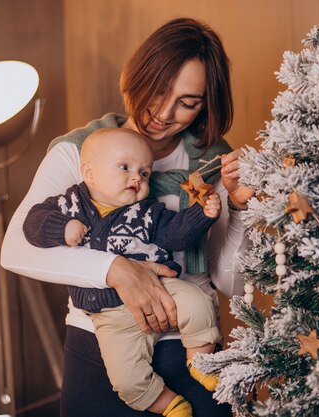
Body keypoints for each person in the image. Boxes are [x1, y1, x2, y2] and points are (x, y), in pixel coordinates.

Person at [0, 17, 254, 417]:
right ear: (138, 74)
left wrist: (238, 209)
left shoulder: (213, 162)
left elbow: (233, 285)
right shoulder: (81, 152)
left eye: (187, 103)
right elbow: (16, 249)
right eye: (158, 90)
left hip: (195, 352)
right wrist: (116, 269)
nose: (163, 113)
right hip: (99, 353)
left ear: (206, 105)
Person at [23, 127, 222, 417]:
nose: (136, 178)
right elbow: (33, 222)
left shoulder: (147, 212)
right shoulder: (70, 205)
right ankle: (168, 404)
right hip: (108, 312)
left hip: (160, 287)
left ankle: (199, 361)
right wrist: (63, 228)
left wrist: (201, 213)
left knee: (196, 302)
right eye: (124, 167)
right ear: (89, 173)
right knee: (126, 378)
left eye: (144, 173)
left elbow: (175, 235)